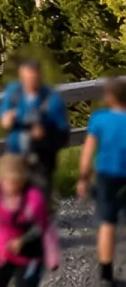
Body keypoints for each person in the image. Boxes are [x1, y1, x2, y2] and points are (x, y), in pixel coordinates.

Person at [79, 76, 126, 282]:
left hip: (106, 175)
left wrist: (83, 178)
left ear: (110, 97)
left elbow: (88, 151)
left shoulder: (99, 118)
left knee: (107, 223)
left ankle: (106, 274)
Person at [0, 153, 54, 287]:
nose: (10, 187)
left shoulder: (34, 199)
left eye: (15, 182)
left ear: (24, 179)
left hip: (29, 254)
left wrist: (22, 241)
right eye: (7, 181)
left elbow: (41, 227)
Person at [0, 58, 70, 190]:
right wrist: (8, 119)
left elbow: (62, 128)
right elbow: (4, 120)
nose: (30, 81)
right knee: (15, 193)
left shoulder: (51, 97)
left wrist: (45, 132)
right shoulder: (14, 92)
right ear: (21, 75)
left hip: (42, 154)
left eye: (33, 77)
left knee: (40, 191)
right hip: (16, 153)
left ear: (40, 76)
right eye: (27, 77)